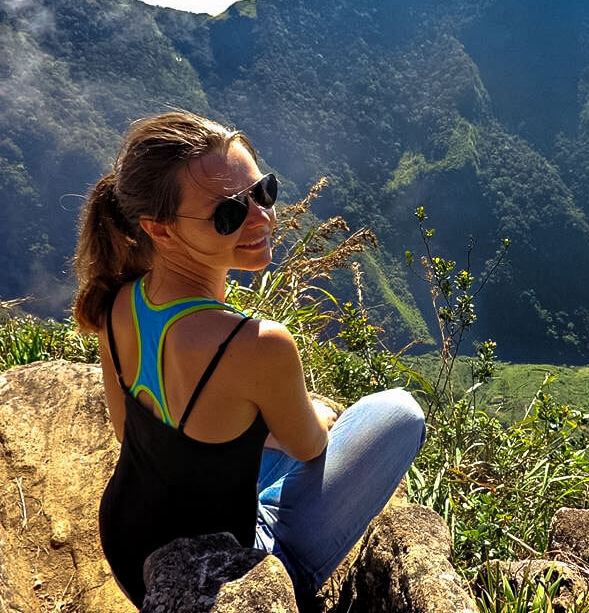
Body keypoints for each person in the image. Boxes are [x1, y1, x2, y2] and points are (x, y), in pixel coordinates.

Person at [72, 111, 426, 608]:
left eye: (263, 191)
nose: (262, 219)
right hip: (222, 566)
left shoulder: (119, 301)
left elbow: (127, 433)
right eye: (229, 214)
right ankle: (288, 564)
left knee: (254, 435)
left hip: (129, 546)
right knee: (399, 413)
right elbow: (309, 447)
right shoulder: (257, 344)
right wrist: (313, 416)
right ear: (162, 230)